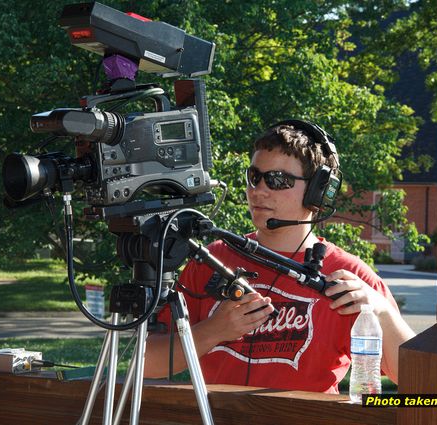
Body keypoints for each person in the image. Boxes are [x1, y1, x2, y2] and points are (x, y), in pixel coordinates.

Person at [144, 121, 416, 393]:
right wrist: (214, 330)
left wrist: (380, 310)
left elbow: (417, 377)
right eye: (254, 177)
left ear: (317, 191)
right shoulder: (211, 260)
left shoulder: (350, 277)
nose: (258, 190)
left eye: (277, 180)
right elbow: (148, 363)